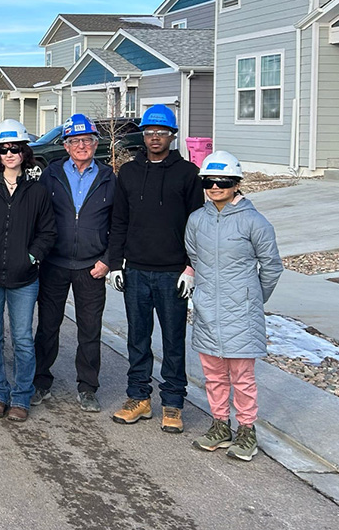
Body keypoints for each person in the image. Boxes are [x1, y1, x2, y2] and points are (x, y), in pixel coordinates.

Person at [105, 104, 202, 434]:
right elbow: (118, 221)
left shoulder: (187, 174)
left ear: (172, 136)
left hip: (173, 273)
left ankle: (173, 403)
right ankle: (138, 398)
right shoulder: (129, 174)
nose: (155, 138)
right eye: (149, 133)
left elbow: (197, 225)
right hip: (136, 272)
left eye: (161, 133)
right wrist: (116, 264)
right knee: (138, 338)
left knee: (174, 340)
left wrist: (191, 268)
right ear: (142, 136)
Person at [186, 151, 282, 462]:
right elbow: (195, 257)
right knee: (213, 374)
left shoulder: (255, 222)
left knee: (242, 376)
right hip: (207, 309)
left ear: (236, 183)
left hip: (241, 310)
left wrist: (254, 296)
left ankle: (246, 430)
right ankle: (219, 425)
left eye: (223, 181)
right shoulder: (197, 219)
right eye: (210, 181)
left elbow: (271, 266)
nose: (216, 187)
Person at [0, 120, 56, 422]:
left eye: (15, 148)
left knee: (22, 338)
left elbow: (48, 232)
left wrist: (32, 257)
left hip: (24, 278)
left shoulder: (37, 192)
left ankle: (21, 396)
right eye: (4, 149)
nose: (9, 153)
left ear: (24, 151)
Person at [33, 114, 115, 413]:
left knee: (90, 330)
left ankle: (88, 387)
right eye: (75, 141)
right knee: (47, 326)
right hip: (54, 263)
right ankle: (40, 381)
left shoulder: (107, 177)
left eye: (87, 141)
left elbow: (118, 224)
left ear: (95, 144)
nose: (82, 146)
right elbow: (39, 216)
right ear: (65, 146)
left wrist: (108, 260)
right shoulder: (51, 174)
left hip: (92, 267)